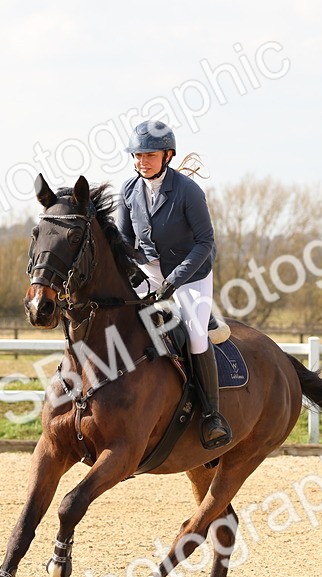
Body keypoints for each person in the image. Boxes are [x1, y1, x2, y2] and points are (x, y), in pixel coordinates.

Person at [117, 120, 232, 450]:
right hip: (149, 270)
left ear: (167, 155)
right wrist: (133, 270)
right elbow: (124, 239)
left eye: (149, 155)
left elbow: (204, 242)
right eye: (137, 155)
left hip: (190, 274)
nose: (142, 161)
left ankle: (211, 416)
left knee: (196, 335)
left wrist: (174, 280)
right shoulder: (128, 190)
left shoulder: (187, 191)